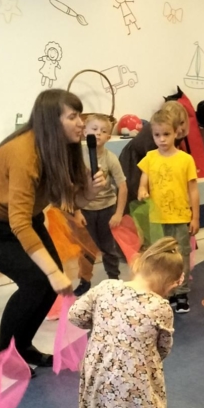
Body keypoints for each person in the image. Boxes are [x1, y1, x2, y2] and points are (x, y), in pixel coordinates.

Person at [0, 89, 104, 366]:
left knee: (48, 284)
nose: (81, 123)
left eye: (80, 115)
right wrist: (53, 272)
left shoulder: (62, 148)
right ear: (52, 121)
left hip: (19, 215)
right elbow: (18, 223)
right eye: (73, 116)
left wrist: (89, 192)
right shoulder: (24, 153)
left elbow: (67, 200)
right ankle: (5, 358)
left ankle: (22, 346)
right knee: (37, 281)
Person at [68, 237, 183, 408]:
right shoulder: (160, 307)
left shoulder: (106, 287)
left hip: (99, 375)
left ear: (139, 264)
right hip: (137, 380)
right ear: (171, 283)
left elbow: (76, 316)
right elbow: (163, 348)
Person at [137, 105, 199, 314]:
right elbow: (144, 180)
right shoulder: (150, 157)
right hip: (157, 218)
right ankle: (166, 290)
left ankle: (181, 292)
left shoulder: (185, 159)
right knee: (160, 257)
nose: (162, 139)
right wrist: (142, 189)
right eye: (157, 135)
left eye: (166, 134)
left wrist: (195, 217)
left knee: (181, 255)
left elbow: (193, 190)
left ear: (176, 133)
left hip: (180, 217)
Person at [75, 113, 127, 290]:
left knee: (108, 247)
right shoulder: (77, 158)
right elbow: (72, 188)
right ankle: (85, 280)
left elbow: (122, 186)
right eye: (94, 129)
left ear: (108, 137)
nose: (98, 133)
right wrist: (77, 212)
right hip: (85, 210)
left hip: (107, 209)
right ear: (84, 132)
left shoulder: (111, 158)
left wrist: (118, 213)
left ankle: (114, 278)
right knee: (86, 248)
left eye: (103, 131)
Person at [120, 100, 191, 203]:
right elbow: (155, 166)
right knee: (138, 194)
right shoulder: (155, 137)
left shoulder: (175, 133)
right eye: (176, 124)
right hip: (134, 161)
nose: (179, 129)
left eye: (182, 123)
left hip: (147, 156)